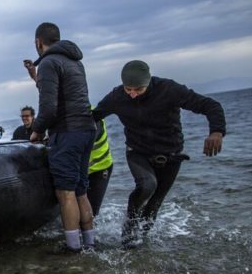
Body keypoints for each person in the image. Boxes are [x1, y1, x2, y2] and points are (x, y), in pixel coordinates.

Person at [92, 60, 226, 248]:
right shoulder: (116, 97)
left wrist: (216, 131)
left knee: (154, 205)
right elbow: (93, 116)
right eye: (128, 89)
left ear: (148, 82)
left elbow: (210, 105)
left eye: (138, 90)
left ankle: (144, 243)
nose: (132, 95)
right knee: (147, 185)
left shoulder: (168, 89)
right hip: (138, 153)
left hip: (171, 156)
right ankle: (128, 238)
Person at [25, 22, 97, 252]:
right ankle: (91, 243)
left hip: (67, 132)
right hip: (87, 129)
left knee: (65, 193)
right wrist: (35, 77)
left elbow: (49, 107)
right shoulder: (75, 61)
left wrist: (36, 130)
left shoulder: (48, 62)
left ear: (38, 42)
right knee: (80, 190)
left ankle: (73, 248)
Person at [87, 115, 113, 216]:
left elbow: (89, 139)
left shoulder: (92, 115)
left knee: (92, 213)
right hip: (82, 171)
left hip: (100, 169)